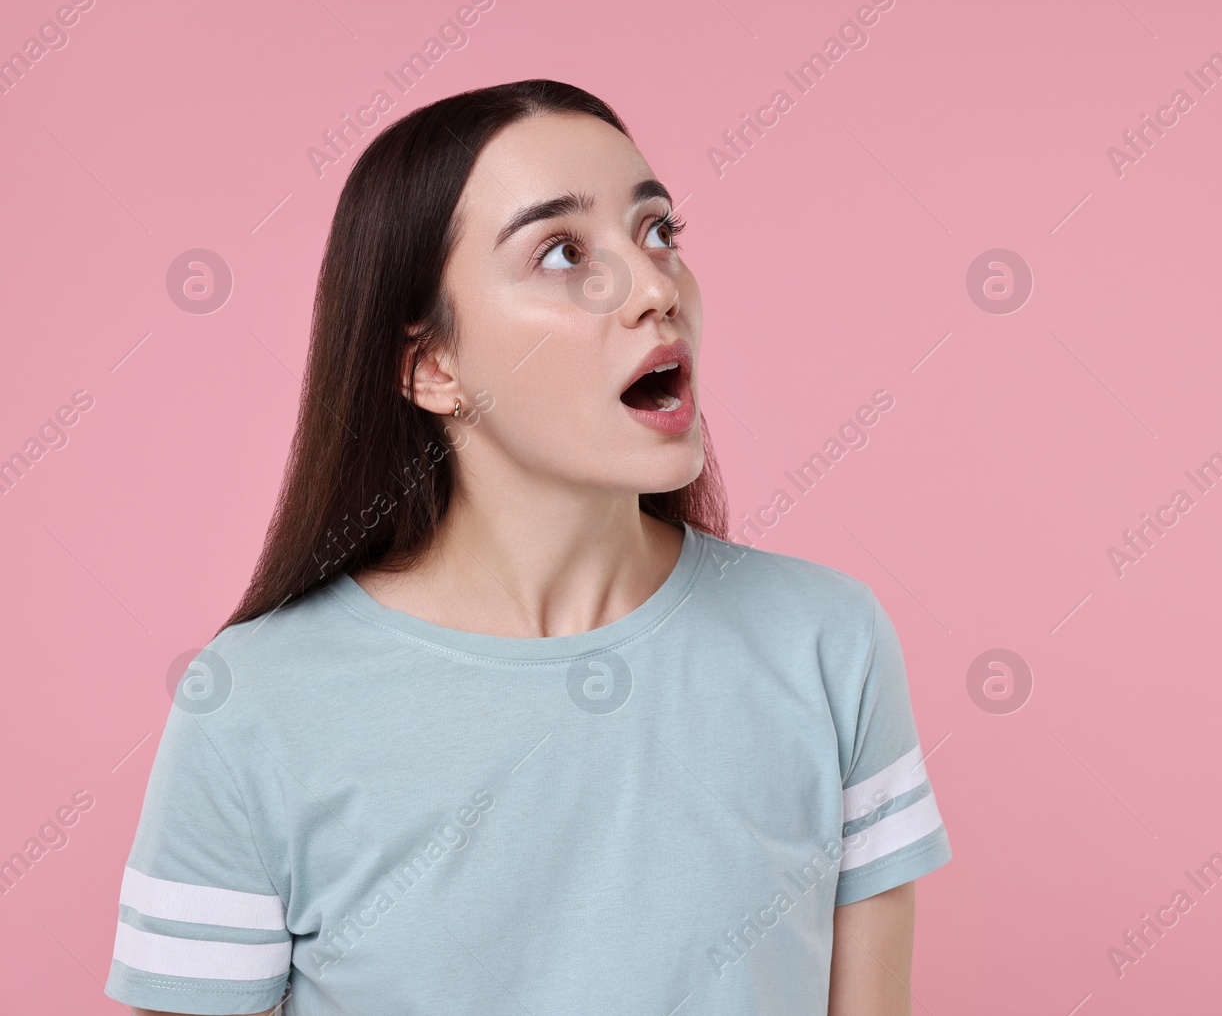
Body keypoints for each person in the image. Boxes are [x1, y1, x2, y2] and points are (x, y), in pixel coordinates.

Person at [105, 79, 951, 1015]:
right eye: (561, 251)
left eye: (658, 232)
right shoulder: (254, 705)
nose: (656, 287)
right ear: (433, 366)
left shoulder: (828, 643)